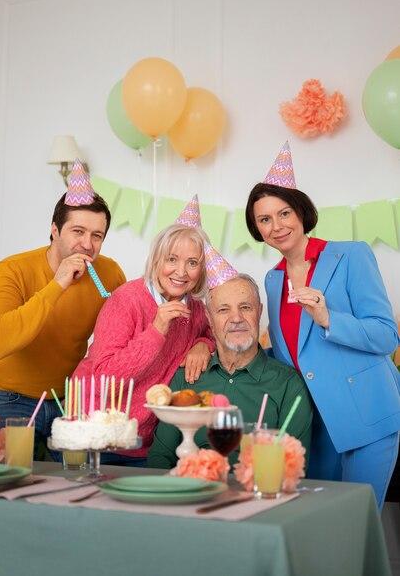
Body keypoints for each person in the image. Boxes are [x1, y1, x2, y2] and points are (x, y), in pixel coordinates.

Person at [245, 141, 400, 510]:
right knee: (320, 527)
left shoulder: (351, 255)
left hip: (368, 416)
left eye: (284, 213)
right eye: (264, 219)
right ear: (257, 229)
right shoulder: (272, 279)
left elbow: (385, 335)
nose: (276, 226)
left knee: (356, 526)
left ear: (301, 212)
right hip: (314, 426)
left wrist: (329, 319)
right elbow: (291, 353)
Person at [0, 160, 126, 457]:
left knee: (78, 480)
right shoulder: (11, 270)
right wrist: (57, 285)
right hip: (10, 399)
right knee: (10, 481)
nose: (87, 244)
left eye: (97, 235)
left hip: (69, 400)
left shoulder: (109, 274)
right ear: (55, 230)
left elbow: (124, 331)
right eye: (78, 231)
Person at [72, 220, 216, 466]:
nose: (181, 272)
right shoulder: (126, 301)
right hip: (95, 434)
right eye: (172, 259)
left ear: (202, 270)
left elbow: (212, 333)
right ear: (157, 260)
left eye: (192, 263)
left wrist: (204, 344)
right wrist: (157, 329)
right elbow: (105, 379)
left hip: (144, 443)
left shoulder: (196, 310)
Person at [148, 270, 313, 470]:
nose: (236, 318)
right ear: (209, 318)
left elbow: (293, 465)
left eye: (245, 307)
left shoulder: (288, 385)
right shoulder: (187, 377)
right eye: (223, 310)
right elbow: (160, 457)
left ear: (259, 311)